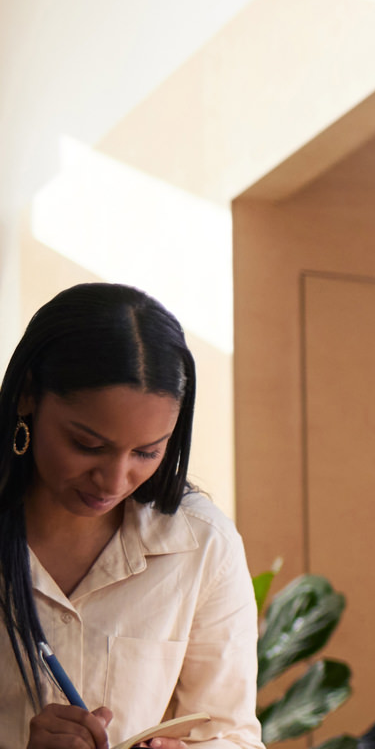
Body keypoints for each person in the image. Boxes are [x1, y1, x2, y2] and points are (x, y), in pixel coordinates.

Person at [0, 283, 262, 749]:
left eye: (146, 452)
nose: (114, 481)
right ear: (27, 395)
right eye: (87, 445)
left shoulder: (202, 545)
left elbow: (232, 734)